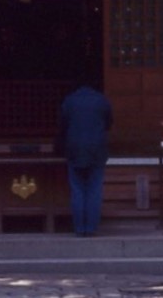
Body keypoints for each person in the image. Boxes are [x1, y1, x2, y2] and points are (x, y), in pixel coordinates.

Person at [57, 79, 113, 236]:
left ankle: (79, 228)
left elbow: (62, 125)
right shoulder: (102, 101)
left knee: (77, 190)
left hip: (74, 149)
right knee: (94, 189)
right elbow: (109, 123)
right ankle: (92, 227)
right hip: (97, 149)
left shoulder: (69, 101)